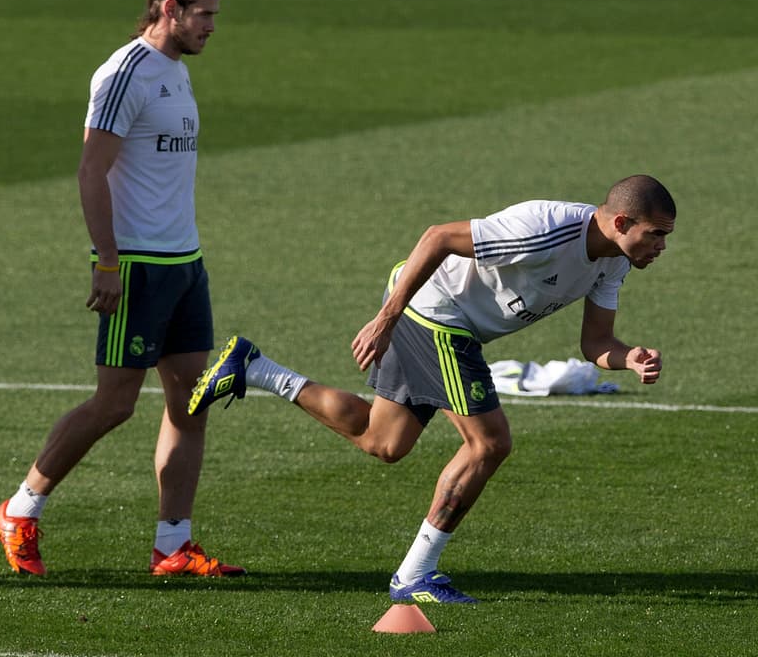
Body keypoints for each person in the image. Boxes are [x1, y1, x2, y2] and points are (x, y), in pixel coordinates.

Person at [190, 175, 676, 602]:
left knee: (384, 442)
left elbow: (596, 343)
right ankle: (414, 575)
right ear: (621, 222)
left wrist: (627, 357)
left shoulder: (613, 261)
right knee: (489, 443)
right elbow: (438, 236)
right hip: (435, 314)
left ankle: (254, 368)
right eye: (655, 234)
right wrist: (386, 317)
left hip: (444, 322)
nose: (661, 246)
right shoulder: (546, 228)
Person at [0, 0, 243, 578]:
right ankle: (20, 510)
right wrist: (106, 260)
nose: (213, 26)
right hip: (137, 266)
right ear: (169, 9)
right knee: (114, 405)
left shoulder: (176, 70)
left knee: (191, 401)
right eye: (204, 15)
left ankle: (172, 545)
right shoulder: (124, 73)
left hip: (185, 262)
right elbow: (90, 170)